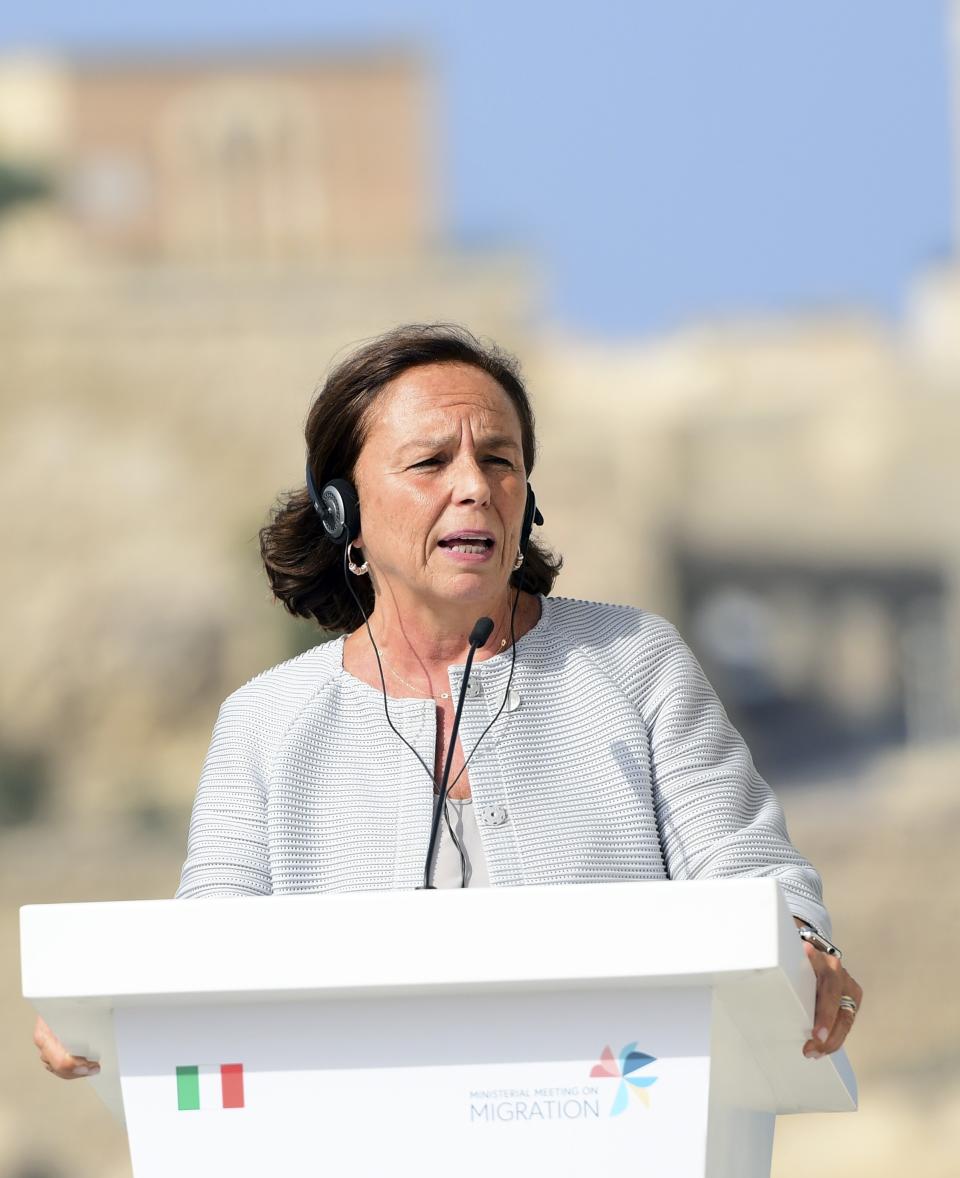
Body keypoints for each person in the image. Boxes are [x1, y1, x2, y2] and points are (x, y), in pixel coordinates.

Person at [34, 323, 862, 1080]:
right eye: (431, 463)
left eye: (499, 460)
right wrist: (102, 1015)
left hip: (619, 1130)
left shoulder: (634, 662)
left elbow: (753, 874)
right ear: (343, 511)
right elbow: (206, 948)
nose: (474, 486)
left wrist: (805, 943)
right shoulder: (265, 723)